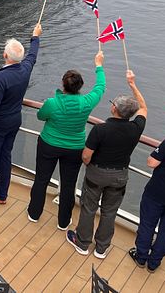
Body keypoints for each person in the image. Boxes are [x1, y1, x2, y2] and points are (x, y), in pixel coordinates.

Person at [67, 70, 147, 258]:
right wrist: (133, 84)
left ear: (114, 110)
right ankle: (101, 248)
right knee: (109, 212)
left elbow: (86, 156)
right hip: (119, 176)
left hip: (96, 173)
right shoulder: (136, 128)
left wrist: (89, 165)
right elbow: (143, 108)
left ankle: (83, 243)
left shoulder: (100, 129)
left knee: (88, 208)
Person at [27, 51, 106, 230]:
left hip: (49, 144)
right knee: (69, 185)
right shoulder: (86, 102)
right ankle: (63, 222)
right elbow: (100, 87)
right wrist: (99, 65)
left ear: (63, 84)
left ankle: (34, 213)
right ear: (80, 86)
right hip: (74, 148)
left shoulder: (52, 103)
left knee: (41, 179)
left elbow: (41, 116)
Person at [0, 24, 42, 207]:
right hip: (14, 120)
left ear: (5, 56)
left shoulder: (0, 79)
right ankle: (1, 194)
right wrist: (35, 37)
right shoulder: (25, 69)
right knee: (5, 156)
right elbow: (32, 56)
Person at [129, 137, 165, 273]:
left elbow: (151, 163)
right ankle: (154, 263)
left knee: (147, 225)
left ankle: (141, 257)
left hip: (156, 192)